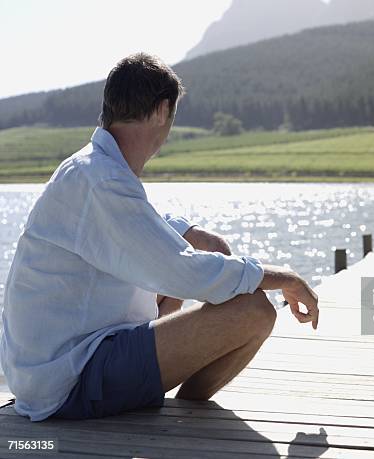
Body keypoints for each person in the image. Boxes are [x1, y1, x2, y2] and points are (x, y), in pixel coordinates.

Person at [0, 53, 319, 422]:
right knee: (253, 309)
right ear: (162, 110)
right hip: (70, 380)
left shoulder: (92, 168)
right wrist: (287, 278)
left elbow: (136, 227)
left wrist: (189, 232)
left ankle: (172, 398)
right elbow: (182, 271)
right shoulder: (102, 179)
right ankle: (185, 405)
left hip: (57, 367)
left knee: (198, 275)